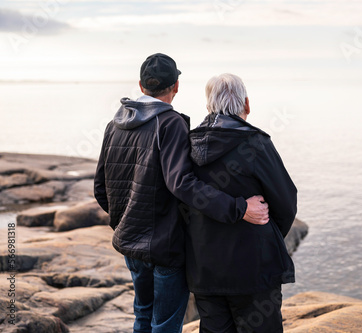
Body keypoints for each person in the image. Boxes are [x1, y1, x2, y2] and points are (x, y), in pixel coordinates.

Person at [94, 54, 269, 333]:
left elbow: (101, 188)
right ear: (176, 86)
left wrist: (125, 221)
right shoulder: (170, 122)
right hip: (164, 247)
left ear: (141, 85)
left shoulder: (113, 125)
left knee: (143, 315)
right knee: (164, 323)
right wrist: (238, 208)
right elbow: (182, 183)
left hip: (129, 242)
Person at [186, 73, 298, 332]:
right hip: (253, 269)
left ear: (208, 106)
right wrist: (266, 234)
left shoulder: (188, 144)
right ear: (246, 104)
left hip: (205, 268)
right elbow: (286, 202)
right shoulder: (256, 143)